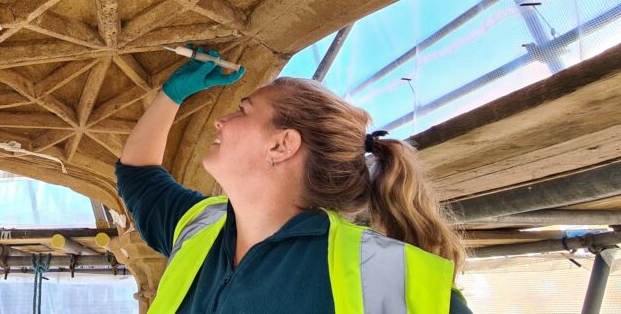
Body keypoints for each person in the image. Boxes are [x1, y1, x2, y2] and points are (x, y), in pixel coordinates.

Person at [117, 47, 472, 313]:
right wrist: (171, 94)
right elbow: (138, 176)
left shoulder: (392, 278)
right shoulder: (201, 225)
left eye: (243, 110)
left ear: (282, 144)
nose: (219, 121)